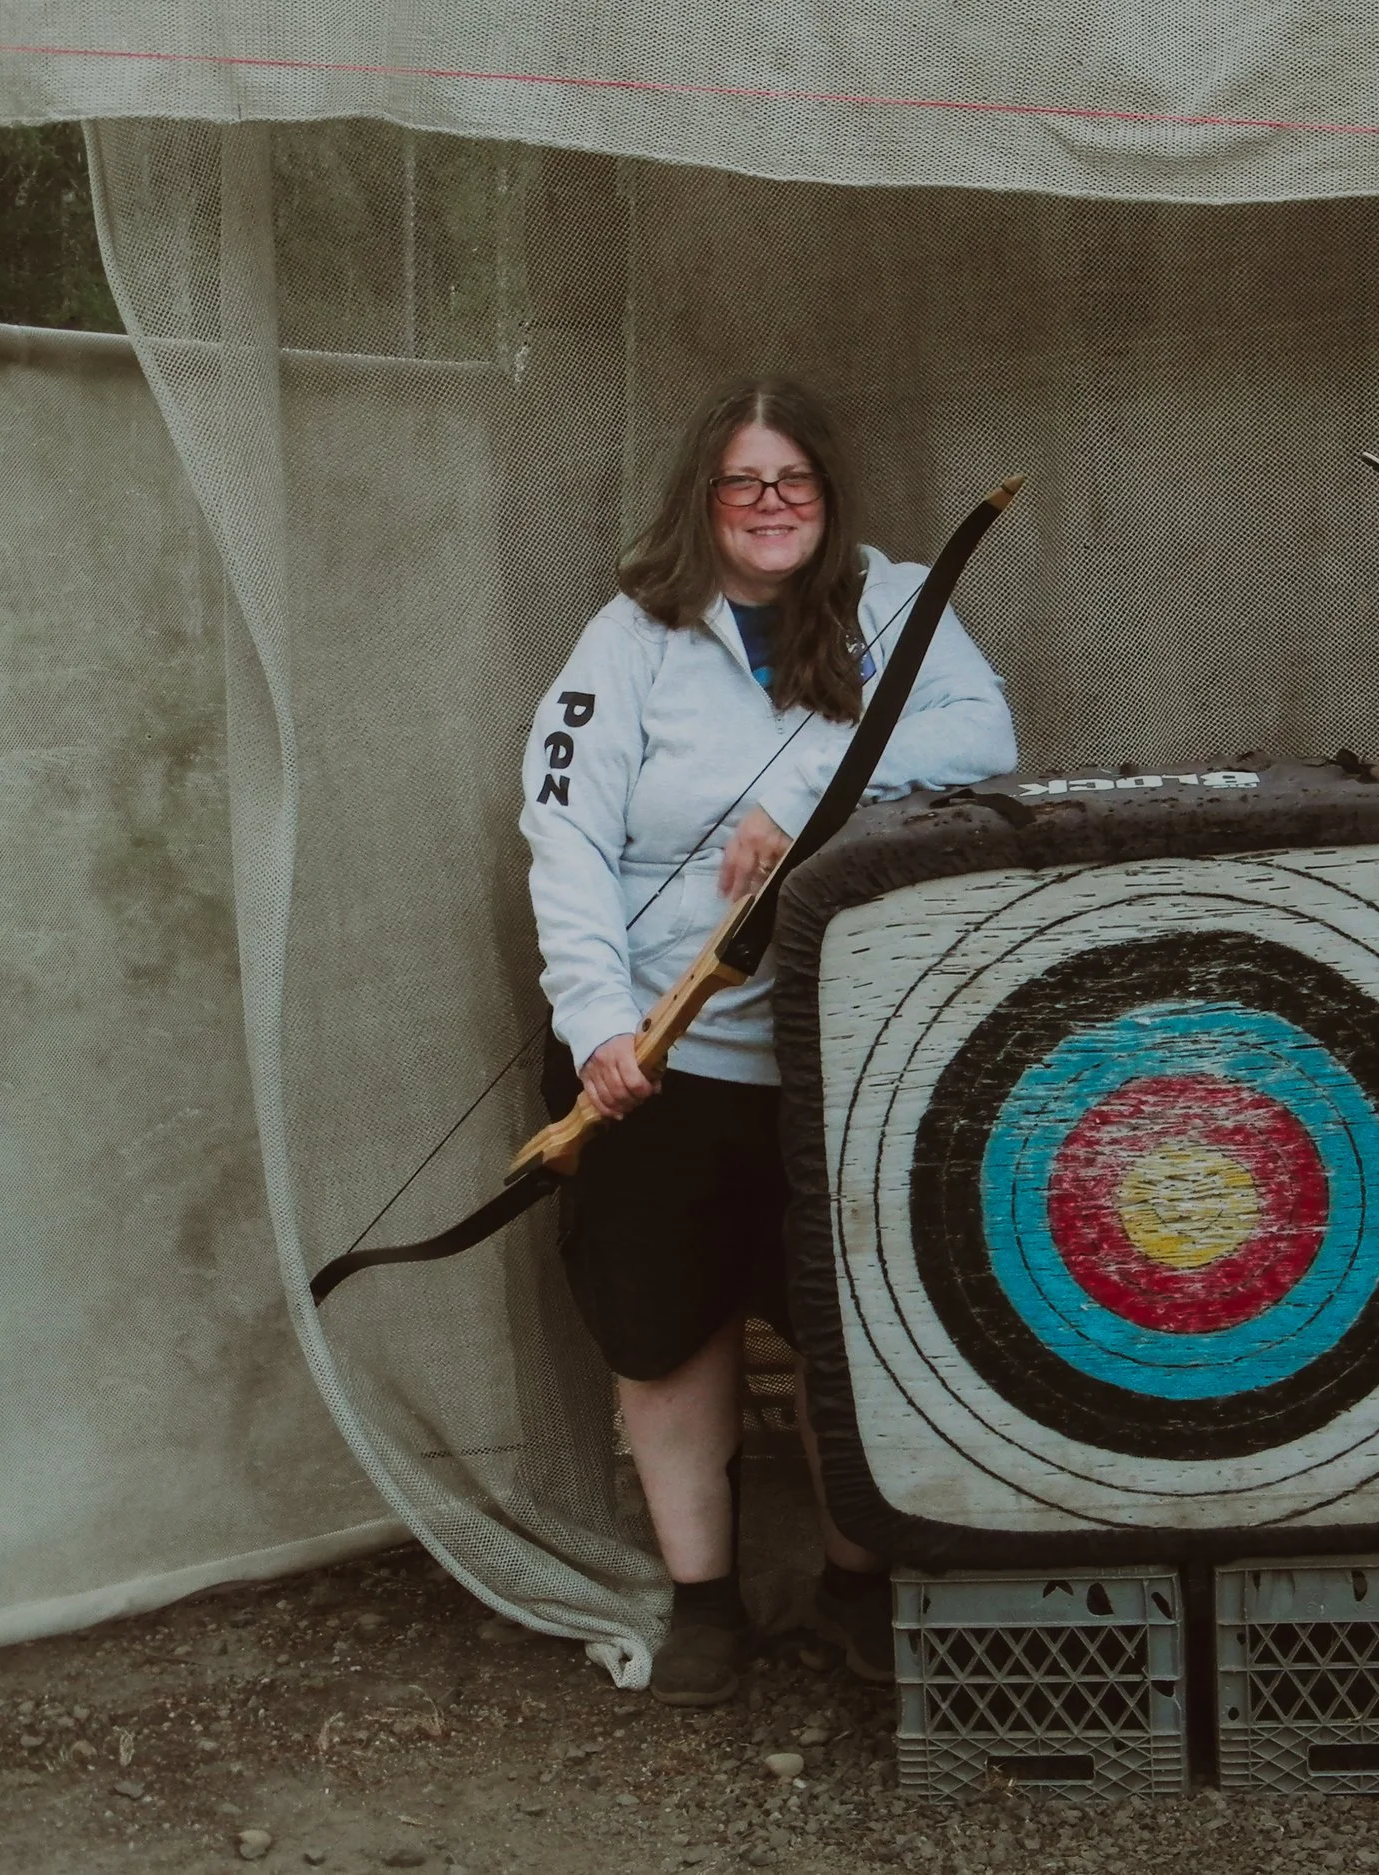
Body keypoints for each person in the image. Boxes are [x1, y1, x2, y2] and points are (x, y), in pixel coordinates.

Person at [521, 380, 1017, 1705]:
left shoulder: (895, 601)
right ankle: (704, 1602)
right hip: (660, 1050)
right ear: (703, 498)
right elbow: (563, 829)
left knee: (855, 1329)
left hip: (847, 1049)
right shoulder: (630, 638)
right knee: (665, 1324)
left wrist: (805, 792)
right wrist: (597, 1028)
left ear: (829, 493)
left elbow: (987, 734)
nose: (770, 506)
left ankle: (857, 1584)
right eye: (742, 483)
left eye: (793, 480)